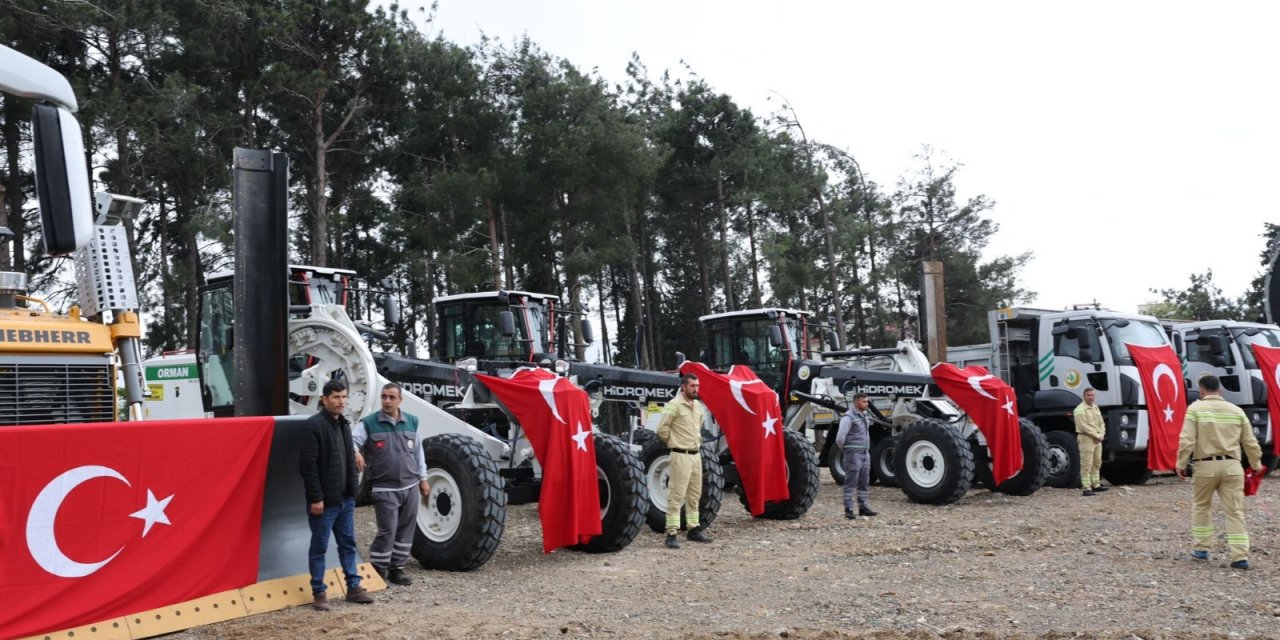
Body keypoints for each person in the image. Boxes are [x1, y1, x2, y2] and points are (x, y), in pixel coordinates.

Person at [299, 380, 374, 611]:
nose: (341, 401)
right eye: (336, 397)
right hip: (325, 502)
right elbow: (308, 466)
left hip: (345, 499)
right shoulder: (314, 425)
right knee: (320, 547)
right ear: (324, 399)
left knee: (348, 544)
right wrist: (316, 498)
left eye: (343, 397)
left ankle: (354, 587)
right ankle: (319, 592)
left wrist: (355, 456)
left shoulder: (344, 424)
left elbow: (346, 454)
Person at [1177, 375, 1264, 570]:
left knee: (1202, 506)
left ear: (1201, 391)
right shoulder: (1236, 411)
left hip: (1205, 467)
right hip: (1232, 468)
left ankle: (1202, 549)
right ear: (1220, 390)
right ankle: (1240, 556)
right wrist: (1256, 463)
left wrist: (1181, 463)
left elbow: (1187, 439)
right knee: (1235, 511)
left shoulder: (1195, 410)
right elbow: (1250, 442)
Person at [353, 383, 430, 586]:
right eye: (384, 397)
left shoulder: (412, 422)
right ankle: (379, 568)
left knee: (406, 529)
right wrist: (356, 452)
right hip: (384, 487)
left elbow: (419, 453)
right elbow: (351, 441)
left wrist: (423, 479)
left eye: (392, 397)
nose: (387, 401)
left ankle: (397, 568)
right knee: (387, 530)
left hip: (410, 486)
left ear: (400, 400)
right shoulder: (369, 423)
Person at [656, 373, 712, 549]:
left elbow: (699, 426)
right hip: (680, 455)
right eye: (692, 386)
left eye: (697, 386)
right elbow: (662, 429)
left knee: (694, 495)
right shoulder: (674, 405)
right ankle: (671, 533)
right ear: (683, 386)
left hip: (695, 455)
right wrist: (675, 442)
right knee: (676, 495)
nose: (696, 389)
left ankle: (693, 529)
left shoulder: (698, 406)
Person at [835, 393, 876, 519]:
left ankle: (863, 507)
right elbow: (840, 438)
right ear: (856, 402)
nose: (867, 404)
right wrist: (847, 451)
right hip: (853, 454)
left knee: (864, 482)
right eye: (864, 402)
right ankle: (849, 509)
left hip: (865, 453)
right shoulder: (848, 417)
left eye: (867, 401)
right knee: (851, 482)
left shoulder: (864, 415)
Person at [1073, 388, 1108, 496]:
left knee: (1097, 463)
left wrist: (1101, 434)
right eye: (1088, 395)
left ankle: (1095, 484)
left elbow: (1101, 423)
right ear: (1084, 396)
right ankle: (1086, 488)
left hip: (1097, 439)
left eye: (1092, 395)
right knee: (1086, 464)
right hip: (1086, 438)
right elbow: (1083, 427)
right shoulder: (1080, 409)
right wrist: (1097, 435)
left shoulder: (1095, 407)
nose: (1090, 397)